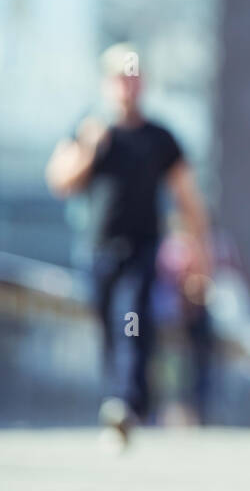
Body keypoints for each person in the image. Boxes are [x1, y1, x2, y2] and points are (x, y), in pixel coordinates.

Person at [44, 43, 213, 446]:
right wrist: (89, 147)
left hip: (143, 249)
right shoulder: (88, 129)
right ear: (107, 83)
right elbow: (59, 181)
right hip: (96, 250)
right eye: (120, 78)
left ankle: (127, 402)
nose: (128, 86)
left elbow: (189, 199)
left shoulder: (159, 138)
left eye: (134, 77)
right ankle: (120, 401)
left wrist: (199, 254)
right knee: (109, 327)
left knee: (132, 318)